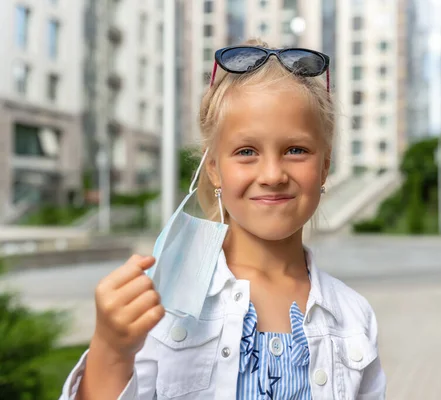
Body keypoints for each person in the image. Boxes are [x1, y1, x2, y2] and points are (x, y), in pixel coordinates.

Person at [60, 39, 386, 400]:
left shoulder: (354, 317)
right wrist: (110, 351)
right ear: (213, 167)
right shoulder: (162, 299)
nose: (273, 174)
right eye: (246, 152)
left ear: (324, 167)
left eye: (296, 150)